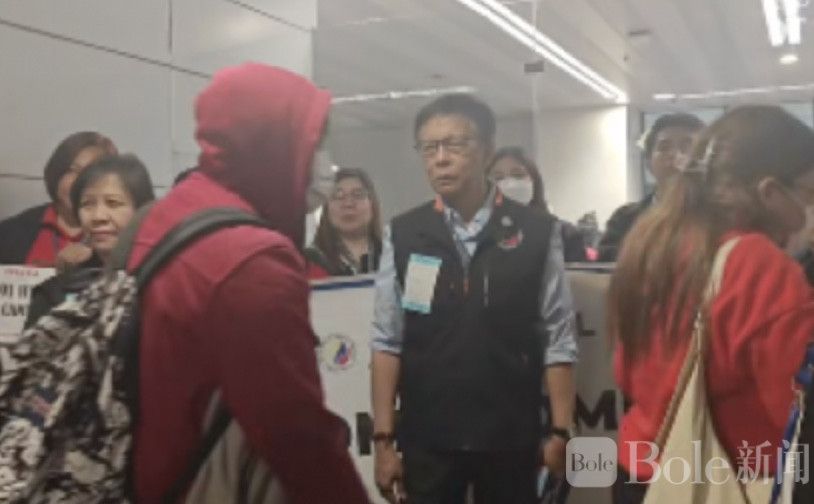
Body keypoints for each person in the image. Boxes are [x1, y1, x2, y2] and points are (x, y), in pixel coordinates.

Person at [124, 63, 368, 503]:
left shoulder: (167, 216)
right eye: (316, 144)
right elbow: (297, 435)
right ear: (271, 144)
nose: (325, 164)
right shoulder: (251, 264)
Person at [371, 94, 578, 504]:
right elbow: (387, 340)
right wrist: (383, 441)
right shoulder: (406, 233)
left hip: (510, 435)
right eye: (428, 148)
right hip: (428, 437)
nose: (440, 159)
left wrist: (560, 430)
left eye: (455, 144)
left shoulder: (536, 231)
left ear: (486, 148)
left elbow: (559, 337)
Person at [608, 105, 814, 504]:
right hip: (727, 482)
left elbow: (626, 372)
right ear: (770, 192)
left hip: (643, 473)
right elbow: (794, 411)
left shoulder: (652, 243)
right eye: (811, 192)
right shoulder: (757, 264)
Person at [24, 154, 155, 328]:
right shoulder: (56, 292)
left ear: (142, 210)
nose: (98, 217)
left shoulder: (160, 285)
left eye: (113, 203)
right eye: (87, 204)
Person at [597, 113, 704, 262]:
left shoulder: (722, 217)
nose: (675, 155)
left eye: (687, 147)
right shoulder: (625, 219)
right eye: (664, 147)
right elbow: (607, 265)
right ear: (649, 163)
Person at [0, 131, 116, 267]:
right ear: (57, 172)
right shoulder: (10, 232)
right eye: (72, 170)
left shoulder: (123, 239)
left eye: (91, 172)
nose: (79, 182)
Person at [487, 146, 588, 262]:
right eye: (498, 178)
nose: (508, 184)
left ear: (534, 182)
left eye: (517, 175)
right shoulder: (479, 238)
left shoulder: (563, 234)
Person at [305, 167, 383, 277]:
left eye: (357, 195)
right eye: (338, 196)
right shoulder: (309, 260)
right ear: (326, 208)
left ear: (372, 204)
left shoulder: (393, 254)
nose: (348, 204)